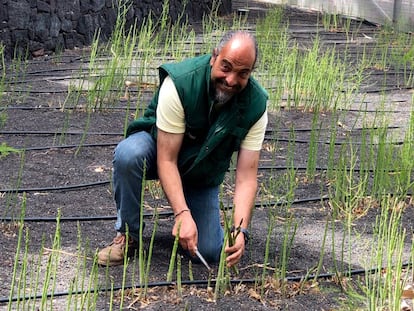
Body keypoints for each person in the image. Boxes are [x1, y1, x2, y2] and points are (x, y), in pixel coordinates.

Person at [97, 30, 268, 268]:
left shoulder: (256, 105)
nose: (231, 80)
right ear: (214, 57)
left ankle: (195, 219)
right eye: (226, 67)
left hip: (201, 172)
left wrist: (240, 231)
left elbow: (247, 178)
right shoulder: (180, 83)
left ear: (251, 73)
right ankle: (129, 235)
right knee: (129, 154)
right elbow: (167, 160)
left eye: (242, 73)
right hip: (159, 149)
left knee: (209, 252)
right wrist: (181, 214)